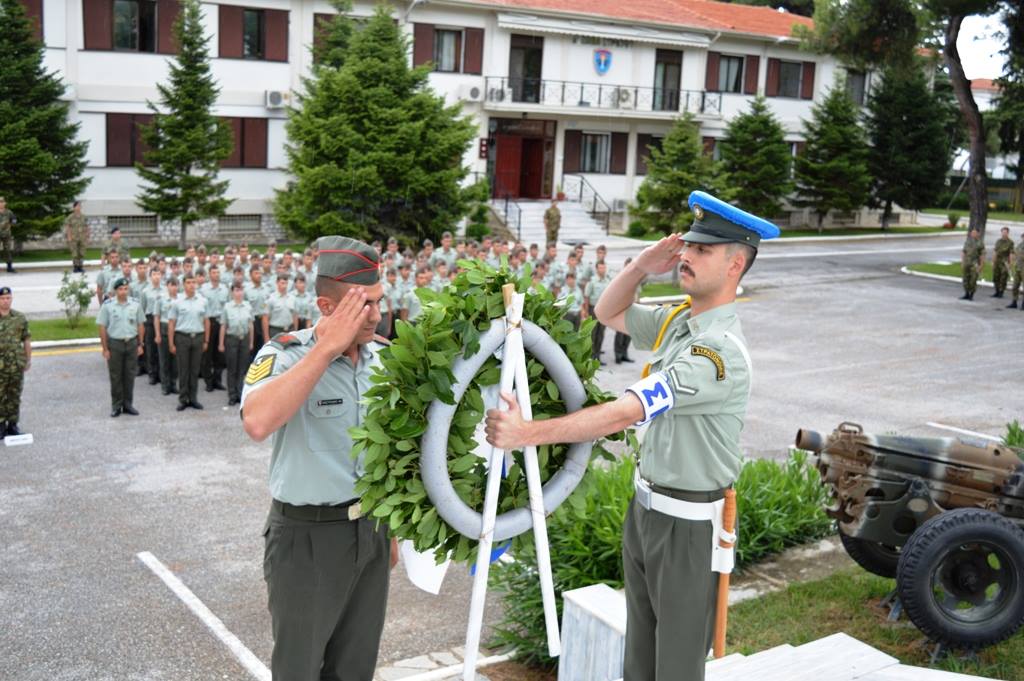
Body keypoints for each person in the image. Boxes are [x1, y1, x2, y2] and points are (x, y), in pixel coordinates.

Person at [485, 190, 777, 681]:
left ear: (735, 265)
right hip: (645, 511)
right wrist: (641, 265)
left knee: (676, 667)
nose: (685, 255)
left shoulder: (716, 354)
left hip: (687, 526)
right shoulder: (679, 323)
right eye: (688, 245)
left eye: (702, 250)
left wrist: (526, 434)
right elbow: (607, 311)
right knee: (638, 659)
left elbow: (626, 412)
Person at [240, 236, 397, 681]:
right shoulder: (284, 354)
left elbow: (382, 450)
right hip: (306, 539)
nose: (377, 314)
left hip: (372, 531)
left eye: (378, 302)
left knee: (355, 668)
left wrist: (390, 532)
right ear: (327, 308)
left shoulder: (383, 359)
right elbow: (257, 422)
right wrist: (324, 349)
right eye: (363, 305)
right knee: (299, 670)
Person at [96, 278, 145, 417]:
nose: (123, 292)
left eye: (125, 289)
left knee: (129, 375)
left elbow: (140, 324)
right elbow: (102, 327)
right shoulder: (108, 305)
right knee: (116, 376)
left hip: (131, 343)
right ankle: (116, 405)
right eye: (120, 289)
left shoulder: (135, 305)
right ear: (115, 290)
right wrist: (105, 348)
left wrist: (140, 344)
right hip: (115, 344)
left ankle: (128, 404)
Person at [167, 273, 209, 411]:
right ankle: (183, 399)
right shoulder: (177, 302)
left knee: (195, 370)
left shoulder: (202, 301)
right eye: (189, 282)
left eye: (193, 282)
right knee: (183, 370)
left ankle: (193, 398)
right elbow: (172, 323)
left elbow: (206, 321)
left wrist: (206, 340)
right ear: (184, 285)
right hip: (182, 338)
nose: (191, 285)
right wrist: (171, 343)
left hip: (197, 337)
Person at [0, 286, 31, 435]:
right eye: (2, 299)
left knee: (14, 395)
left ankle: (12, 424)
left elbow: (26, 340)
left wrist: (28, 359)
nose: (5, 301)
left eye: (8, 298)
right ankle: (0, 425)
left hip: (16, 364)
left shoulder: (19, 318)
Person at [220, 282, 254, 406]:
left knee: (242, 369)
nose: (239, 293)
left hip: (244, 339)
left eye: (240, 290)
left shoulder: (248, 306)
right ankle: (232, 395)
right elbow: (223, 326)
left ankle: (240, 393)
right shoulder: (227, 307)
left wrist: (251, 342)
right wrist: (221, 343)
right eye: (236, 290)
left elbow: (251, 325)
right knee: (232, 369)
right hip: (231, 339)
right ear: (232, 292)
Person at [200, 264, 229, 392]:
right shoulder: (203, 289)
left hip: (221, 323)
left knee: (220, 354)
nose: (216, 275)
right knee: (208, 354)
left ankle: (217, 380)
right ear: (209, 274)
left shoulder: (225, 289)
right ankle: (208, 381)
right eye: (214, 272)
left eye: (218, 272)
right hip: (209, 323)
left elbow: (228, 307)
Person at [154, 277, 179, 395]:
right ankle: (165, 385)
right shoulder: (161, 299)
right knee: (164, 360)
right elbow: (156, 317)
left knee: (175, 361)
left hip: (177, 331)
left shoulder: (181, 299)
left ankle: (173, 384)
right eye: (171, 285)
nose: (174, 288)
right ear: (167, 286)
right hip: (164, 330)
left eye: (175, 285)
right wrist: (157, 334)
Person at [583, 260, 612, 362]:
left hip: (604, 310)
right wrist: (586, 311)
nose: (602, 270)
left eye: (604, 267)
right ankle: (591, 355)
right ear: (596, 269)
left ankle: (598, 355)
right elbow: (586, 297)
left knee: (601, 333)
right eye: (600, 267)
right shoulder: (592, 281)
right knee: (593, 333)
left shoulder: (608, 281)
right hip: (593, 309)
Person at [614, 257, 639, 364]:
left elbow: (638, 294)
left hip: (632, 310)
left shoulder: (635, 279)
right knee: (620, 334)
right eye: (628, 265)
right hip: (621, 310)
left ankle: (624, 354)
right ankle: (618, 355)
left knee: (628, 334)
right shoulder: (619, 278)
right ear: (624, 266)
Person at [142, 268, 164, 384]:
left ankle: (161, 373)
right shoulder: (145, 291)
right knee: (150, 348)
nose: (156, 276)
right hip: (150, 320)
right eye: (154, 274)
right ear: (150, 277)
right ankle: (152, 374)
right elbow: (142, 308)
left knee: (161, 348)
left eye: (158, 274)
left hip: (161, 320)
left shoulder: (165, 290)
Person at [64, 201, 89, 273]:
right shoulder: (70, 217)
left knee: (82, 253)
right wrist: (69, 237)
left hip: (82, 238)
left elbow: (87, 227)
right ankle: (75, 267)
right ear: (74, 207)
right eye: (77, 206)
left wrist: (87, 236)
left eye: (80, 206)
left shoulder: (83, 217)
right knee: (75, 253)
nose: (79, 207)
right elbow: (68, 227)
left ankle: (80, 267)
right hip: (73, 238)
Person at [960, 228, 985, 301]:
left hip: (975, 264)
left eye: (974, 233)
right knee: (965, 279)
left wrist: (981, 265)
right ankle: (966, 293)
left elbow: (982, 255)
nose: (973, 234)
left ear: (978, 234)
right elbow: (963, 252)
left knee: (973, 280)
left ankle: (971, 294)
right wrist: (962, 262)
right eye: (972, 233)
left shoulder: (980, 243)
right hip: (967, 263)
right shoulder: (967, 242)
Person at [992, 227, 1013, 298]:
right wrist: (993, 262)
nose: (1004, 233)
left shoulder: (1010, 242)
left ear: (1008, 233)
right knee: (996, 277)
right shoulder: (998, 241)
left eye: (1005, 232)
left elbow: (1011, 253)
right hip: (997, 261)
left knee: (1003, 277)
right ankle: (996, 291)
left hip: (1005, 262)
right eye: (1003, 232)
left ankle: (1001, 292)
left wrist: (1010, 264)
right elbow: (995, 252)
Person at [1008, 232, 1024, 309]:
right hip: (1018, 268)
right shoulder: (1020, 245)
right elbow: (1013, 253)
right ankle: (1014, 302)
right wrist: (1012, 261)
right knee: (1015, 286)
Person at [0, 197, 15, 274]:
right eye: (0, 202)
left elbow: (14, 220)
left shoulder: (9, 212)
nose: (1, 204)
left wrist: (11, 224)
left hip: (7, 234)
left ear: (5, 203)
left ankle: (9, 267)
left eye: (2, 202)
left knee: (7, 250)